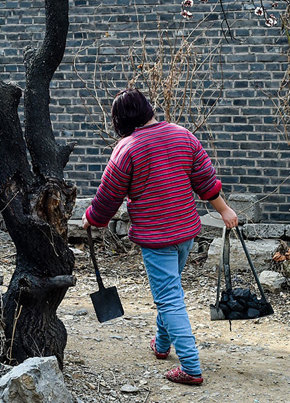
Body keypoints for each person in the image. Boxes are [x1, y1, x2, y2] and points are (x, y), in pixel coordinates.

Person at [83, 88, 238, 386]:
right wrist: (224, 210)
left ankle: (190, 367)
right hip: (186, 232)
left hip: (157, 237)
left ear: (121, 119)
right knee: (170, 290)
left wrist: (92, 217)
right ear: (147, 108)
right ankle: (162, 344)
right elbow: (205, 180)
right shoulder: (183, 136)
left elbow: (109, 196)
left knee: (168, 298)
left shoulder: (127, 148)